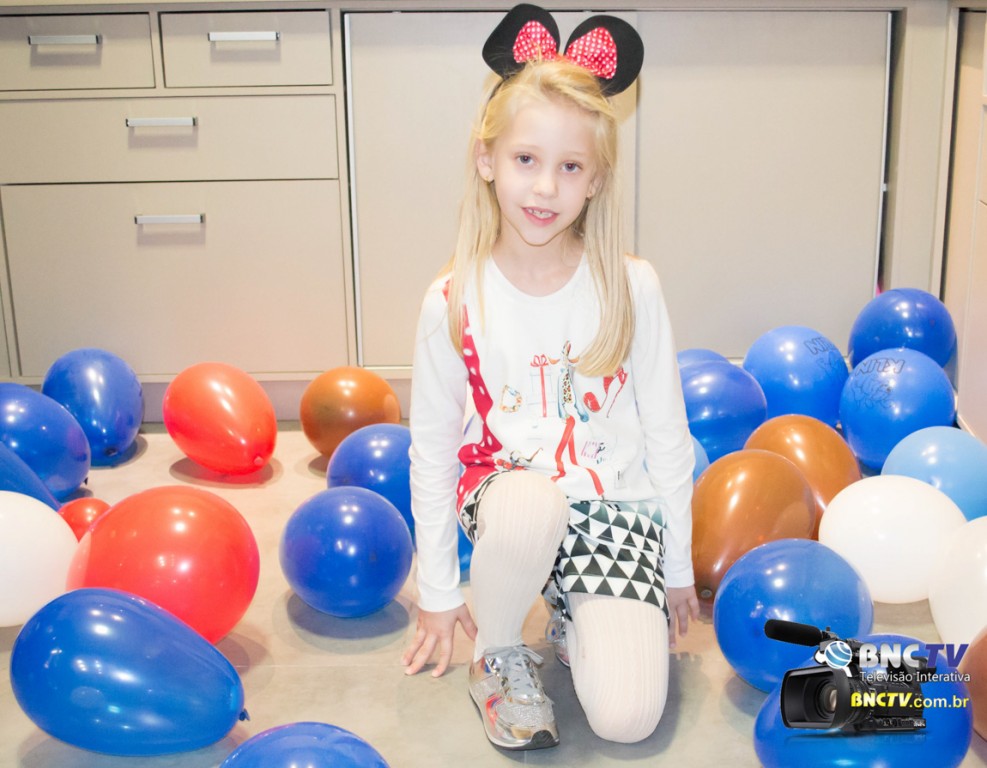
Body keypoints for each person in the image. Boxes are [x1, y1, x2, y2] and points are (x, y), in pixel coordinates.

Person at [400, 3, 699, 751]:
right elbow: (431, 452)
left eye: (569, 167)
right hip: (511, 501)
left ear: (595, 180)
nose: (544, 188)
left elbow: (667, 433)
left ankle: (574, 610)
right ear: (487, 160)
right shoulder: (453, 300)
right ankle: (499, 652)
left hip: (612, 506)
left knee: (627, 720)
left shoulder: (631, 286)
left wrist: (675, 566)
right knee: (533, 504)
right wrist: (438, 591)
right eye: (526, 160)